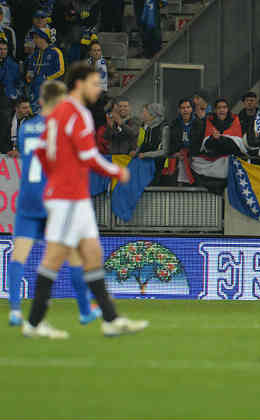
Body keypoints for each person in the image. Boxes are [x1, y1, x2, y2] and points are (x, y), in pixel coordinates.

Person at [25, 62, 147, 339]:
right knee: (54, 257)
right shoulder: (77, 113)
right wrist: (116, 170)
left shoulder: (57, 113)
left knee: (92, 254)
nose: (98, 88)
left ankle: (111, 319)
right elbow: (88, 155)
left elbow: (43, 151)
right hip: (68, 197)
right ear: (80, 84)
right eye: (94, 83)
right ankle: (34, 323)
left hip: (73, 196)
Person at [8, 80, 101, 327]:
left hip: (28, 197)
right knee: (74, 255)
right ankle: (84, 310)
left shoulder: (27, 126)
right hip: (53, 199)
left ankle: (15, 310)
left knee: (19, 255)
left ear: (40, 101)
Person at [25, 28, 64, 113]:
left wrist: (46, 79)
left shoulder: (55, 52)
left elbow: (61, 70)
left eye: (36, 37)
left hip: (49, 93)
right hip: (34, 93)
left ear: (44, 38)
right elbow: (30, 69)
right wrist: (29, 76)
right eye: (34, 38)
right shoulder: (34, 54)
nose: (34, 40)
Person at [168, 97, 204, 184]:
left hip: (194, 154)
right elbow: (171, 142)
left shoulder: (199, 124)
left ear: (192, 109)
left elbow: (199, 143)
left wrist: (188, 154)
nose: (185, 110)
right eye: (183, 108)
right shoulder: (174, 124)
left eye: (188, 107)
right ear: (179, 110)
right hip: (178, 154)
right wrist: (176, 152)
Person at [134, 102, 169, 183]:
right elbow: (145, 144)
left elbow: (164, 151)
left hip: (160, 167)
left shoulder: (165, 128)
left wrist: (145, 155)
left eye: (148, 113)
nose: (145, 115)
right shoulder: (150, 127)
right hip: (147, 165)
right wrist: (136, 153)